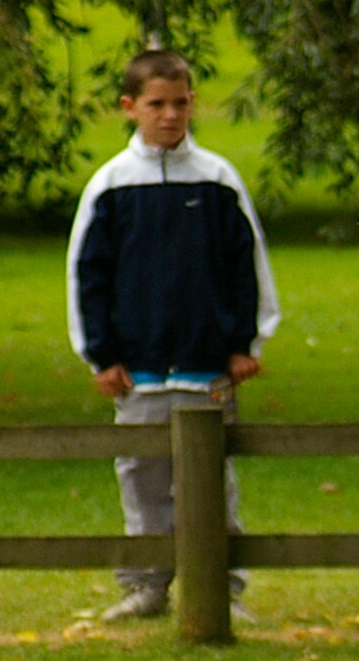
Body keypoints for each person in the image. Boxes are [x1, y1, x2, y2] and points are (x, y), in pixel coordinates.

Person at [66, 47, 279, 624]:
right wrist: (100, 357)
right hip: (137, 372)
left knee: (211, 483)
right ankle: (145, 585)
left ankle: (222, 589)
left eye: (180, 103)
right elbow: (88, 277)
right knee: (142, 479)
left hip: (205, 367)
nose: (170, 115)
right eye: (156, 104)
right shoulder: (110, 187)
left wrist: (245, 344)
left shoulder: (216, 180)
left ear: (193, 105)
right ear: (129, 108)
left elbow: (247, 266)